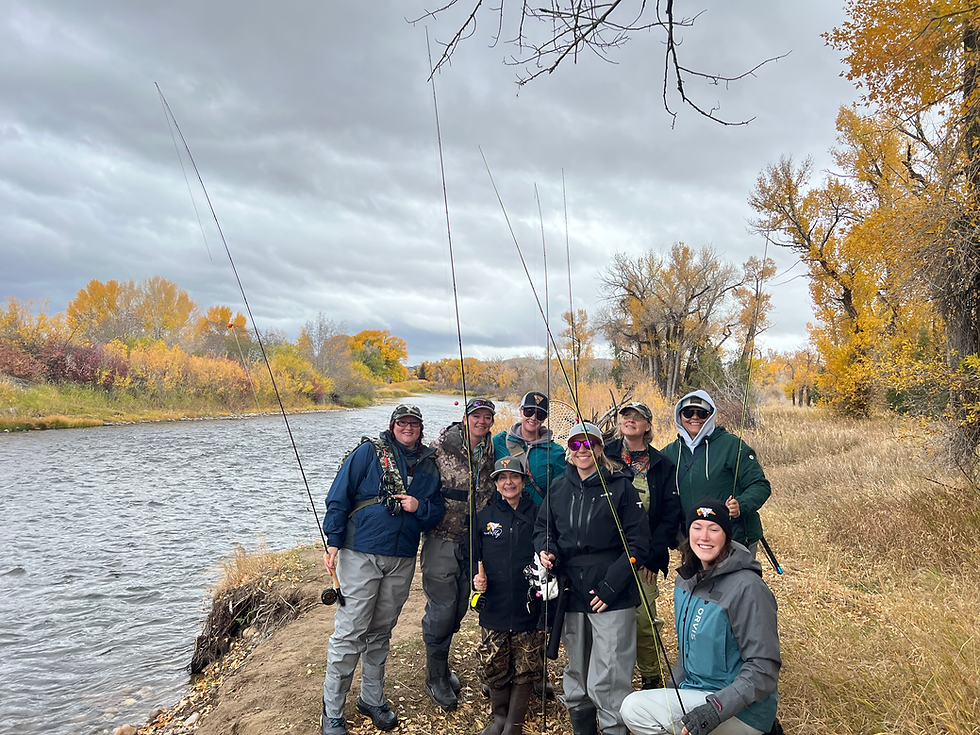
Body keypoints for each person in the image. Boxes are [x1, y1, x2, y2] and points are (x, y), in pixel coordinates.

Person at [320, 405, 445, 735]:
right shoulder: (368, 453)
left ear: (421, 428)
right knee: (350, 632)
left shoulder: (430, 464)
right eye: (402, 422)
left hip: (402, 558)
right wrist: (332, 541)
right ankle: (332, 711)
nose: (408, 428)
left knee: (380, 631)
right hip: (360, 553)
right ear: (392, 426)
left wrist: (420, 507)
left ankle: (371, 698)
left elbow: (435, 514)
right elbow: (339, 496)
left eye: (414, 423)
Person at [620, 498, 780, 735]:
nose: (704, 537)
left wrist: (714, 710)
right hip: (696, 693)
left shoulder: (748, 588)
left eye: (713, 529)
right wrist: (670, 692)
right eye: (697, 527)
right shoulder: (685, 581)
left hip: (740, 710)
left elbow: (764, 668)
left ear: (726, 535)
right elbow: (687, 657)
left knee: (634, 707)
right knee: (636, 711)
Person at [534, 422, 650, 735]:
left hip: (612, 590)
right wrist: (546, 549)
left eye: (589, 444)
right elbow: (543, 528)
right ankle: (582, 727)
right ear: (569, 451)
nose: (582, 450)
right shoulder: (558, 487)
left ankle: (614, 728)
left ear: (599, 448)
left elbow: (639, 542)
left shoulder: (621, 486)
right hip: (571, 589)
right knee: (577, 668)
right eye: (575, 445)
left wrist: (613, 585)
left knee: (610, 671)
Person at [421, 396, 498, 710]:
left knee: (459, 608)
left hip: (474, 542)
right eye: (475, 416)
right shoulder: (442, 447)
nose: (481, 421)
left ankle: (443, 666)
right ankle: (434, 675)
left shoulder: (493, 449)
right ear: (465, 418)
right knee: (441, 608)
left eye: (487, 417)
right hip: (442, 538)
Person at [604, 401, 682, 690]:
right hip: (608, 553)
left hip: (644, 555)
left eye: (638, 417)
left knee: (644, 619)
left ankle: (651, 677)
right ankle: (612, 679)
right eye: (626, 415)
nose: (631, 420)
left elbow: (670, 516)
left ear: (648, 426)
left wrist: (653, 556)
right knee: (609, 620)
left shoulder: (662, 465)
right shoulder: (605, 453)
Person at [471, 456, 545, 735]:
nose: (508, 482)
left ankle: (514, 724)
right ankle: (499, 718)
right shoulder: (485, 517)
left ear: (523, 481)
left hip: (528, 604)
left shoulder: (538, 513)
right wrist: (475, 579)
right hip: (495, 606)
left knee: (526, 666)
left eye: (513, 477)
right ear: (496, 484)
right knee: (494, 663)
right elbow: (471, 555)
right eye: (502, 478)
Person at [662, 390, 772, 558]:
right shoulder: (669, 453)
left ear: (711, 415)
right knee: (699, 584)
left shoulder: (732, 445)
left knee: (735, 584)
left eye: (702, 413)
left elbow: (760, 485)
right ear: (679, 415)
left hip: (734, 537)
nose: (695, 417)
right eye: (688, 412)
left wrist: (740, 505)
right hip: (694, 541)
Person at [493, 391, 566, 506]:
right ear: (521, 411)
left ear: (545, 418)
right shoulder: (498, 442)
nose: (533, 418)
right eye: (529, 411)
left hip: (538, 518)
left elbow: (560, 492)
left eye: (539, 414)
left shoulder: (555, 452)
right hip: (503, 516)